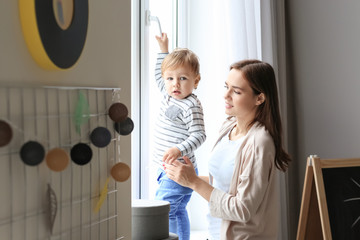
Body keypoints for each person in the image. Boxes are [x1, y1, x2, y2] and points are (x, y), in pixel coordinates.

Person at [164, 59, 291, 240]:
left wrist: (193, 182)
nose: (226, 95)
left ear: (259, 98)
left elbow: (242, 208)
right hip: (215, 233)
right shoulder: (228, 127)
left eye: (236, 91)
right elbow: (226, 184)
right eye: (226, 87)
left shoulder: (259, 143)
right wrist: (185, 177)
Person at [153, 33, 206, 240]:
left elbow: (200, 135)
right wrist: (163, 49)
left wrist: (178, 149)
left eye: (183, 78)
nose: (175, 84)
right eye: (171, 79)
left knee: (165, 207)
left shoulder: (191, 105)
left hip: (179, 168)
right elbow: (161, 74)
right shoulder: (168, 93)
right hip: (165, 167)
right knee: (176, 210)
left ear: (196, 81)